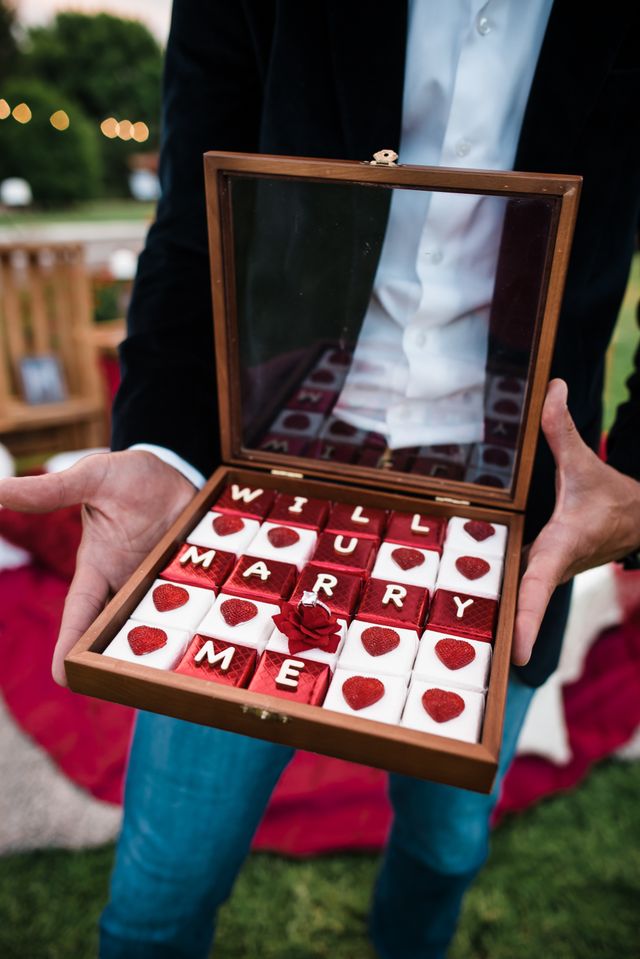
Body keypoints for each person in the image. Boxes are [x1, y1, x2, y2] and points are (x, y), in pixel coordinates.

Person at [1, 3, 639, 957]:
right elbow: (189, 229)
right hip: (259, 463)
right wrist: (165, 452)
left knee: (445, 849)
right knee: (162, 883)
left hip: (508, 502)